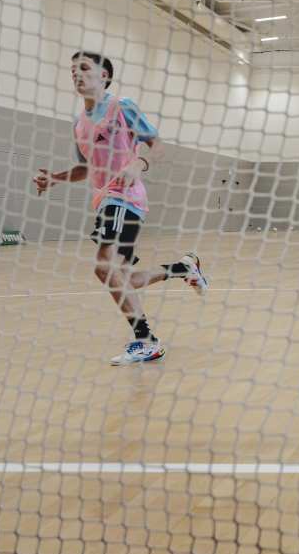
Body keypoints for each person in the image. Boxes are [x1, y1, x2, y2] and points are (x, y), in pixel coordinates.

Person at [33, 52, 207, 366]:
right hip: (105, 201)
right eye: (72, 69)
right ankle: (183, 267)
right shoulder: (79, 125)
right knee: (128, 280)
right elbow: (86, 167)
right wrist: (55, 179)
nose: (76, 74)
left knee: (104, 266)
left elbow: (157, 145)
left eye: (84, 68)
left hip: (125, 197)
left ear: (104, 76)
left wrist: (138, 165)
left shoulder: (121, 107)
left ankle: (146, 340)